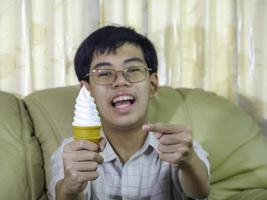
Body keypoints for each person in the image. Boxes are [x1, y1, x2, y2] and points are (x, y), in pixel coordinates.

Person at [48, 25, 210, 200]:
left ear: (152, 85)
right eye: (104, 73)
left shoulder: (180, 147)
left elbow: (201, 192)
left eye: (132, 70)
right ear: (86, 92)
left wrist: (189, 163)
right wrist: (70, 188)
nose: (120, 81)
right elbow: (63, 193)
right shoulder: (72, 152)